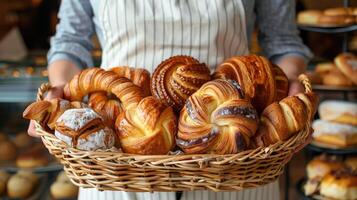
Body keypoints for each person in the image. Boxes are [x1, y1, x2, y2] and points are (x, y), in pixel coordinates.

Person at [28, 0, 312, 199]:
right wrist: (60, 90)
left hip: (236, 158)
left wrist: (292, 92)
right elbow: (70, 42)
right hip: (115, 158)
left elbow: (283, 43)